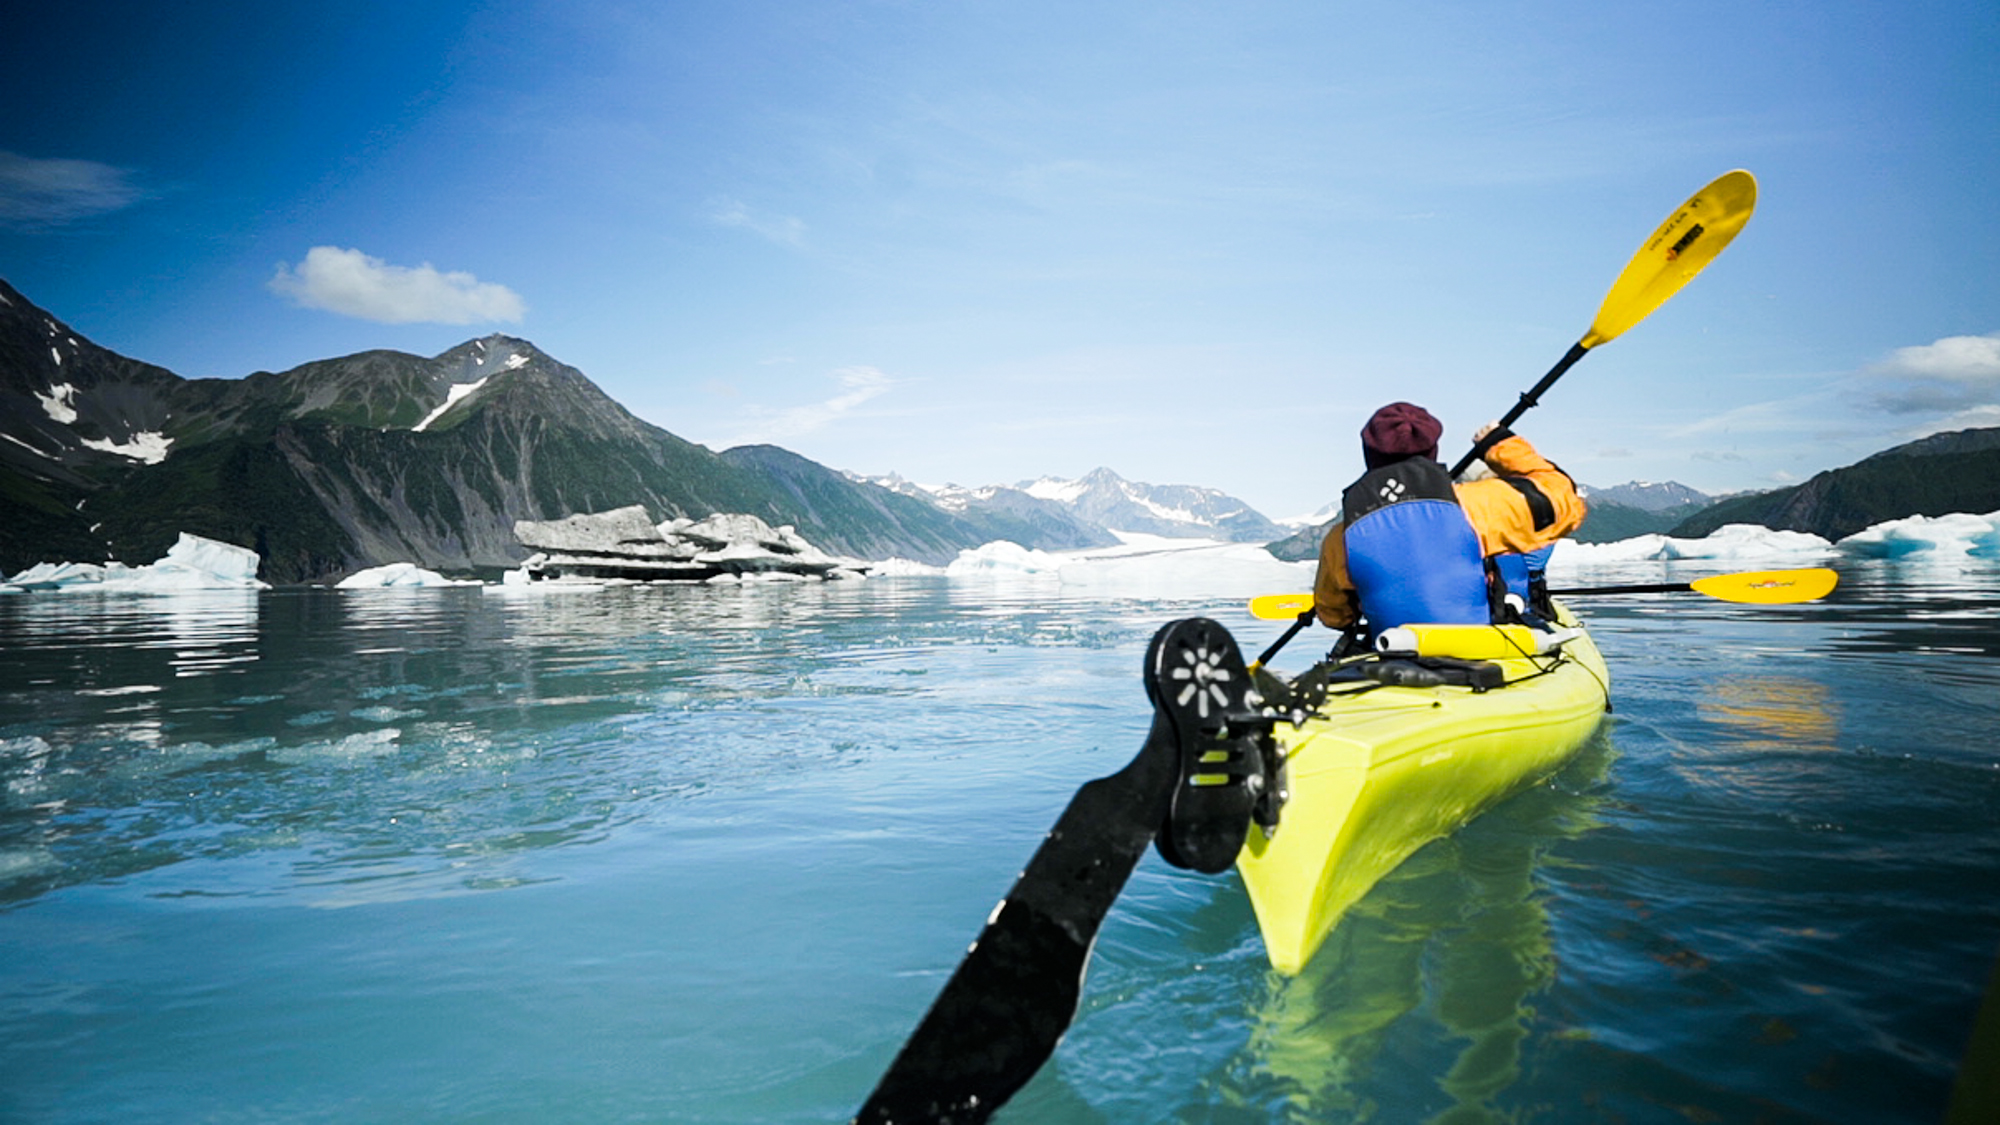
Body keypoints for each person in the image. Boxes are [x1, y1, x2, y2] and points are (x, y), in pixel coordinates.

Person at [1313, 401, 1584, 639]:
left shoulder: (1342, 535)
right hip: (1477, 654)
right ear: (1433, 450)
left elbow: (1335, 617)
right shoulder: (1475, 506)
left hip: (1390, 657)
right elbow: (1566, 503)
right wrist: (1500, 445)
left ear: (1368, 455)